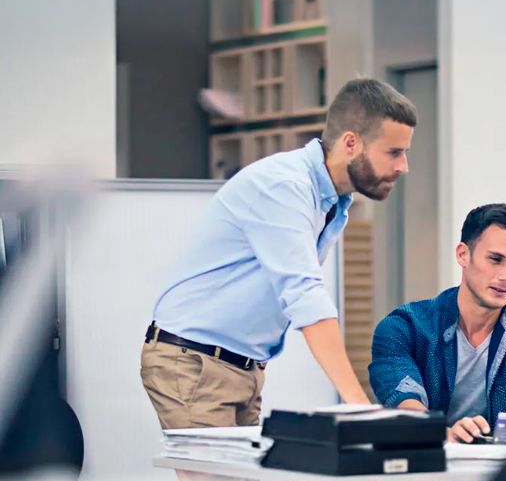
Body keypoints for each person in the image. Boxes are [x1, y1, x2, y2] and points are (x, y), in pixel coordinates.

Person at [141, 77, 416, 429]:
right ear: (351, 143)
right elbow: (304, 294)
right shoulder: (285, 187)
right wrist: (358, 405)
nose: (403, 166)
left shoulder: (333, 202)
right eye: (394, 152)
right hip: (195, 362)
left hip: (242, 368)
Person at [369, 204, 506, 443]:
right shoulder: (403, 328)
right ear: (463, 254)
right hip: (428, 471)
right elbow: (404, 402)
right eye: (495, 259)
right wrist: (443, 434)